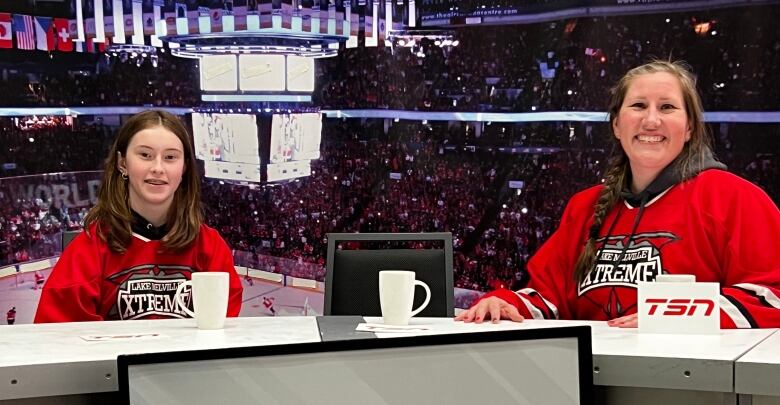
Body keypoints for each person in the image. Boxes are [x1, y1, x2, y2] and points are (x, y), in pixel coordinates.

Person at [456, 60, 780, 328]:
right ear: (616, 125)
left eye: (667, 107)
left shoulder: (735, 198)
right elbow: (549, 298)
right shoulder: (585, 206)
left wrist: (678, 316)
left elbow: (771, 296)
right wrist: (507, 304)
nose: (651, 120)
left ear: (690, 128)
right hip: (591, 381)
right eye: (638, 106)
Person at [35, 110, 243, 323]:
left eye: (170, 157)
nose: (158, 168)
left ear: (184, 168)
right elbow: (60, 339)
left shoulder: (210, 248)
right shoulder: (87, 252)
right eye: (145, 155)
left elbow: (220, 338)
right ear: (122, 163)